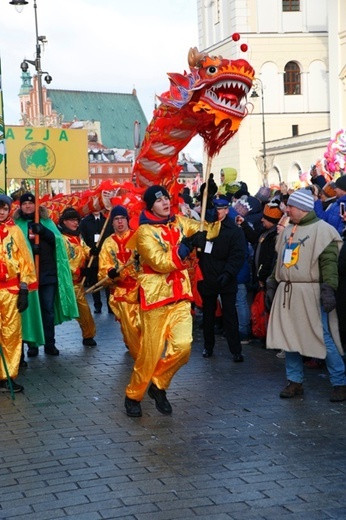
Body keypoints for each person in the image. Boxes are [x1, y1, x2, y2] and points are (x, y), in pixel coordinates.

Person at [124, 185, 207, 417]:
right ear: (150, 205)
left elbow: (206, 230)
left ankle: (159, 385)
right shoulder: (144, 232)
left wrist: (213, 216)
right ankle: (133, 395)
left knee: (184, 348)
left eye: (167, 199)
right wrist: (187, 246)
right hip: (156, 299)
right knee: (150, 354)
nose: (165, 203)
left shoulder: (179, 221)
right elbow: (160, 263)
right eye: (159, 201)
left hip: (180, 297)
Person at [266, 189, 346, 402]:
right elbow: (280, 261)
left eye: (290, 206)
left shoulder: (324, 231)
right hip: (288, 291)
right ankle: (294, 381)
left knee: (322, 335)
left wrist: (329, 288)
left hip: (310, 292)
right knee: (289, 337)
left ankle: (340, 382)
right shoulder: (287, 230)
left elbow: (329, 262)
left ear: (301, 208)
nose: (287, 209)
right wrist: (273, 283)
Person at [14, 193, 78, 357]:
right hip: (27, 277)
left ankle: (50, 343)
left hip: (47, 274)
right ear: (20, 206)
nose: (28, 206)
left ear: (36, 205)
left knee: (47, 309)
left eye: (31, 203)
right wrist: (30, 249)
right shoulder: (17, 225)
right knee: (30, 311)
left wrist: (44, 232)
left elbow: (58, 241)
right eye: (25, 204)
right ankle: (32, 345)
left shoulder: (46, 222)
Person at [197, 198, 246, 361]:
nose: (218, 212)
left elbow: (238, 255)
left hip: (226, 278)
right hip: (208, 277)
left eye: (222, 209)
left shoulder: (234, 230)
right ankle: (208, 346)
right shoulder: (206, 227)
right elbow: (199, 252)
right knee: (208, 316)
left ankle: (236, 350)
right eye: (216, 209)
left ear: (227, 210)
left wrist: (228, 273)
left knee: (230, 314)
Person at [0, 194, 36, 392]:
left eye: (4, 209)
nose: (1, 212)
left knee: (11, 333)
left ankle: (7, 376)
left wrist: (24, 289)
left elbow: (26, 261)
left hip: (11, 290)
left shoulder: (15, 231)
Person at [98, 205, 141, 359]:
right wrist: (110, 272)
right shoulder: (108, 243)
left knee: (141, 324)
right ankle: (136, 351)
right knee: (127, 325)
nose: (120, 222)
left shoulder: (138, 238)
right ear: (112, 223)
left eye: (122, 218)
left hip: (140, 290)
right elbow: (103, 266)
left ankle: (141, 351)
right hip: (121, 292)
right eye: (116, 219)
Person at [58, 207, 97, 347]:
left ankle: (88, 335)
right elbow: (62, 262)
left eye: (76, 220)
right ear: (64, 221)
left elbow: (84, 249)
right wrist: (79, 271)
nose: (75, 223)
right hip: (68, 282)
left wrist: (91, 251)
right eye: (71, 220)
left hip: (78, 284)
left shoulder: (77, 236)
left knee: (84, 311)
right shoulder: (62, 240)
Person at [79, 211, 113, 314]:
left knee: (106, 280)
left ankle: (109, 305)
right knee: (94, 282)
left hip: (105, 256)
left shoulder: (107, 220)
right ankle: (97, 305)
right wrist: (90, 250)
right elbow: (82, 240)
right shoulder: (85, 222)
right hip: (93, 256)